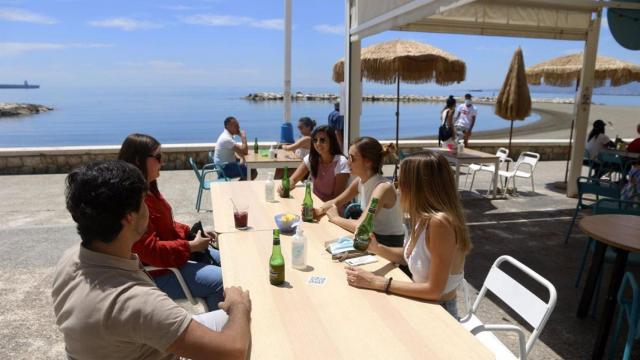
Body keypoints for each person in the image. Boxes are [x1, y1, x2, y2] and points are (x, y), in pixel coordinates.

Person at [52, 160, 251, 359]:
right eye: (144, 202)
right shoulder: (137, 302)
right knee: (249, 322)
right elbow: (234, 351)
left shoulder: (69, 260)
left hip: (129, 346)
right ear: (129, 217)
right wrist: (239, 306)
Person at [344, 151, 472, 319]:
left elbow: (434, 290)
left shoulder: (440, 223)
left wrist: (375, 282)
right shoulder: (423, 217)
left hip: (439, 313)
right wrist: (377, 248)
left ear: (418, 186)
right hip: (424, 304)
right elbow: (412, 257)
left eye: (401, 180)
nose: (397, 185)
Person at [118, 133, 224, 311]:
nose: (163, 162)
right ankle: (221, 331)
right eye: (158, 157)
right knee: (221, 280)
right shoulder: (133, 201)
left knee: (230, 259)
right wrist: (190, 246)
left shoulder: (149, 189)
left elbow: (168, 224)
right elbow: (150, 251)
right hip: (158, 273)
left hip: (172, 260)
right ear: (138, 160)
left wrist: (193, 234)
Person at [315, 137, 405, 248]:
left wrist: (335, 218)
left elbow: (362, 225)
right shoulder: (360, 181)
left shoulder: (382, 188)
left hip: (387, 247)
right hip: (370, 240)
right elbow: (336, 202)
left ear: (368, 162)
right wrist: (318, 210)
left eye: (352, 158)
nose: (348, 163)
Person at [278, 125, 349, 202]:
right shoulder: (312, 158)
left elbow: (337, 197)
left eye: (322, 140)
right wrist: (286, 186)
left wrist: (320, 208)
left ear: (331, 141)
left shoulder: (341, 162)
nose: (318, 143)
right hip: (314, 204)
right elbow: (293, 179)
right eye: (315, 140)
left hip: (332, 209)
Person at [213, 116, 257, 180]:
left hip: (223, 166)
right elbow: (244, 151)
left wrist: (241, 158)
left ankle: (238, 187)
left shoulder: (226, 136)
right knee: (252, 171)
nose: (238, 128)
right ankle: (238, 188)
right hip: (224, 169)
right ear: (228, 126)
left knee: (249, 168)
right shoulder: (226, 139)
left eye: (238, 125)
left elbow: (235, 151)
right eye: (236, 126)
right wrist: (243, 137)